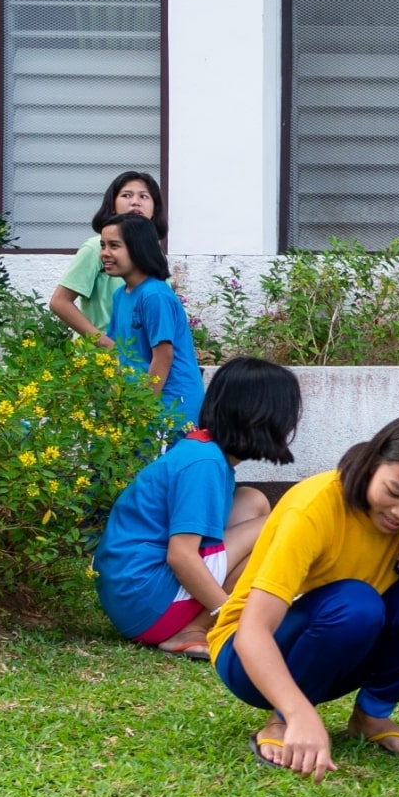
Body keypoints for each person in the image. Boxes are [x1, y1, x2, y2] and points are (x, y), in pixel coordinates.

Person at [210, 413, 399, 776]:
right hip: (247, 658)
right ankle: (281, 722)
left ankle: (371, 717)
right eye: (394, 492)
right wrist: (297, 713)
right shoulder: (314, 508)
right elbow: (251, 632)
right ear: (373, 462)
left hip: (343, 649)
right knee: (357, 603)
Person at [93, 357, 299, 658]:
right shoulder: (204, 464)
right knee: (279, 524)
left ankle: (195, 625)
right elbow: (181, 555)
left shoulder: (204, 451)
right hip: (146, 601)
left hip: (134, 597)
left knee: (252, 501)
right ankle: (195, 629)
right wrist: (228, 612)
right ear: (260, 416)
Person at [103, 213, 204, 427]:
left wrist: (140, 410)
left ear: (138, 247)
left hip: (169, 406)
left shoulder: (154, 295)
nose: (105, 253)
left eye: (114, 245)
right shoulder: (120, 295)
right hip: (140, 405)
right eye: (102, 246)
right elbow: (118, 353)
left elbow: (163, 357)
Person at [47, 171, 167, 348]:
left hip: (141, 360)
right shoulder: (97, 247)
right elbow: (59, 302)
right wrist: (107, 345)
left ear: (154, 210)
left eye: (144, 196)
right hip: (99, 361)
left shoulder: (154, 252)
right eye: (126, 195)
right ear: (112, 205)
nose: (135, 202)